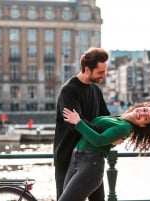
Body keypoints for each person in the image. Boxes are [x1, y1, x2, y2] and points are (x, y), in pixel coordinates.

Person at [59, 101, 150, 201]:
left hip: (90, 165)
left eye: (146, 118)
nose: (141, 113)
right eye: (144, 109)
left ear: (142, 125)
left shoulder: (125, 127)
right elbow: (104, 137)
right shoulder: (119, 119)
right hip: (77, 158)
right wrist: (110, 144)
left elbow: (99, 141)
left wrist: (78, 122)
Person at [53, 47, 110, 201]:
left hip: (91, 159)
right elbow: (75, 126)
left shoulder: (96, 90)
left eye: (105, 71)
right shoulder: (69, 91)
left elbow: (106, 119)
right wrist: (102, 134)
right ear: (87, 69)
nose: (104, 76)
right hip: (67, 157)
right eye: (100, 72)